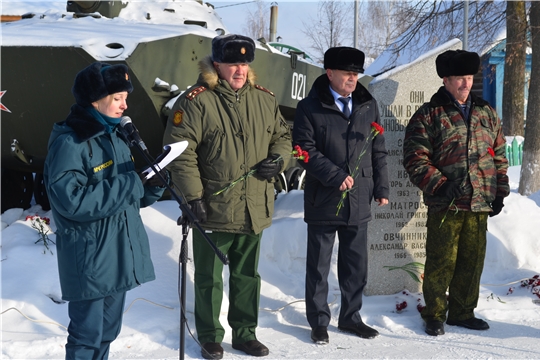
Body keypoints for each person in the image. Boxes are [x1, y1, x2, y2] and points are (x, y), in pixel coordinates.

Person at [162, 34, 291, 359]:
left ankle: (245, 333)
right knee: (208, 278)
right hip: (212, 209)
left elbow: (282, 137)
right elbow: (181, 152)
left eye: (245, 63)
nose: (240, 70)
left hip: (253, 208)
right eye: (233, 63)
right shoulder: (196, 101)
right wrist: (193, 198)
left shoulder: (264, 99)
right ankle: (209, 336)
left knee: (247, 276)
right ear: (217, 64)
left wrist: (278, 160)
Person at [43, 61, 166, 359]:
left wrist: (153, 185)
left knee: (108, 333)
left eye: (125, 97)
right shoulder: (71, 142)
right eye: (117, 98)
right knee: (86, 337)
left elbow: (127, 197)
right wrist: (129, 184)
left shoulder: (116, 137)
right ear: (95, 100)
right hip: (90, 257)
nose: (125, 105)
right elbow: (71, 201)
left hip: (119, 253)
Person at [403, 49, 510, 337]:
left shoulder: (486, 112)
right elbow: (415, 159)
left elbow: (498, 154)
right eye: (459, 78)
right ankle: (435, 314)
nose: (466, 84)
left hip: (479, 203)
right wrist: (441, 184)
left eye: (469, 77)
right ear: (446, 80)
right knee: (441, 261)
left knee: (471, 261)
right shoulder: (429, 114)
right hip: (446, 204)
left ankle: (463, 312)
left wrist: (500, 190)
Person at [292, 47, 389, 345]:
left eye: (356, 73)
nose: (352, 78)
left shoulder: (367, 104)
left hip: (359, 197)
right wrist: (334, 176)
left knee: (356, 265)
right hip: (324, 197)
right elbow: (304, 150)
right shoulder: (310, 107)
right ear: (329, 73)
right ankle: (319, 322)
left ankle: (351, 317)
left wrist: (382, 187)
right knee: (319, 266)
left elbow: (378, 148)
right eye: (347, 73)